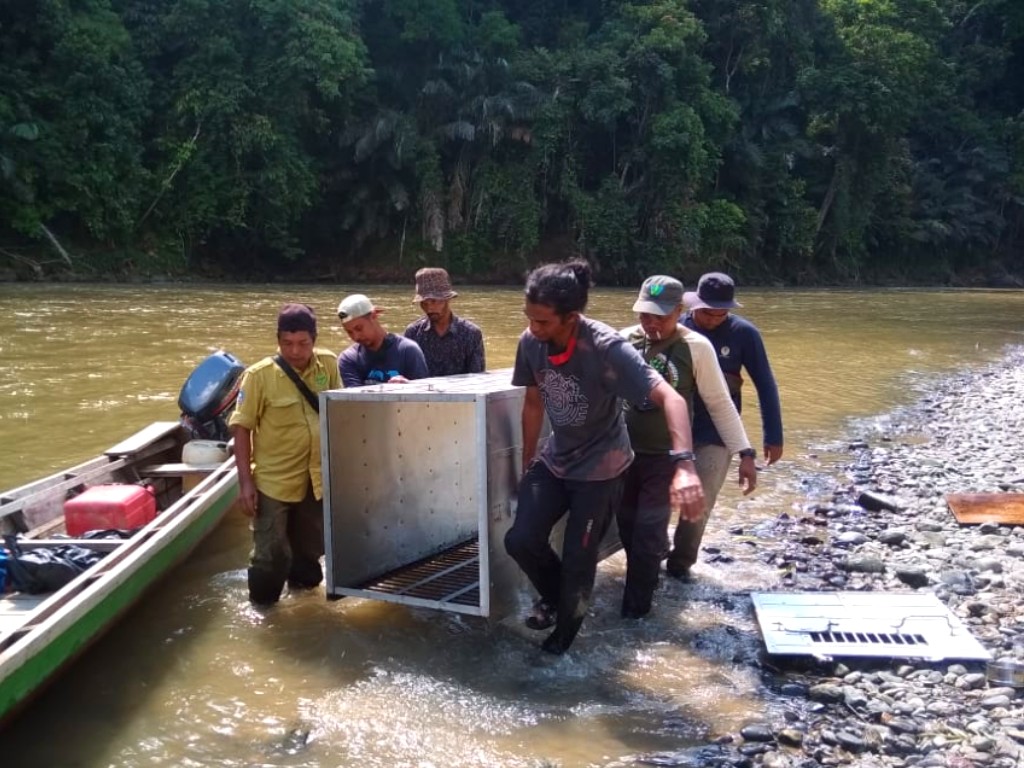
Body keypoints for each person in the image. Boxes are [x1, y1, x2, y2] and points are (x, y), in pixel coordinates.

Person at [503, 260, 705, 655]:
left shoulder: (608, 347)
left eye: (543, 322)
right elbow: (532, 401)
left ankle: (561, 644)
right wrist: (529, 461)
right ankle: (560, 599)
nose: (533, 328)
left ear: (571, 318)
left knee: (580, 560)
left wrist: (683, 464)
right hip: (557, 458)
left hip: (602, 467)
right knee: (520, 539)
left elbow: (672, 397)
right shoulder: (531, 342)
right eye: (529, 318)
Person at [619, 276, 757, 617]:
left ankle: (635, 616)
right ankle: (646, 577)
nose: (651, 324)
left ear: (680, 311)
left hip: (666, 458)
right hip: (622, 456)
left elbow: (720, 403)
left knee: (649, 531)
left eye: (660, 317)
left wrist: (746, 453)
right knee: (627, 527)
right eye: (644, 315)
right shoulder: (621, 341)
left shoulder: (696, 346)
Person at [667, 271, 783, 579]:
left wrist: (773, 435)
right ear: (693, 306)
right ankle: (647, 557)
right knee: (658, 499)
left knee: (699, 502)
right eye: (708, 313)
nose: (715, 319)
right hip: (671, 430)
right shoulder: (675, 329)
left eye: (722, 314)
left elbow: (766, 385)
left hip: (717, 431)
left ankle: (680, 565)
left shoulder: (744, 334)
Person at [228, 303, 341, 605]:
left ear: (314, 340)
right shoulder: (258, 376)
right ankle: (263, 610)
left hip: (316, 479)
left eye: (303, 343)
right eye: (287, 344)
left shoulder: (328, 365)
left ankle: (304, 604)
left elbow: (340, 413)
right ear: (278, 340)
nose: (295, 351)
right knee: (269, 553)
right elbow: (241, 428)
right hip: (273, 481)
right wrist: (245, 483)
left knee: (309, 549)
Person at [403, 267, 486, 377]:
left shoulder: (470, 333)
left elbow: (478, 378)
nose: (429, 308)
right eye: (424, 303)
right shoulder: (413, 333)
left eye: (434, 301)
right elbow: (406, 374)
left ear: (447, 299)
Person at [337, 293, 429, 387]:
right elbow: (353, 399)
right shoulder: (348, 359)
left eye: (359, 328)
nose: (356, 337)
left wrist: (407, 388)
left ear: (373, 316)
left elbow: (425, 397)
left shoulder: (408, 351)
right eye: (349, 332)